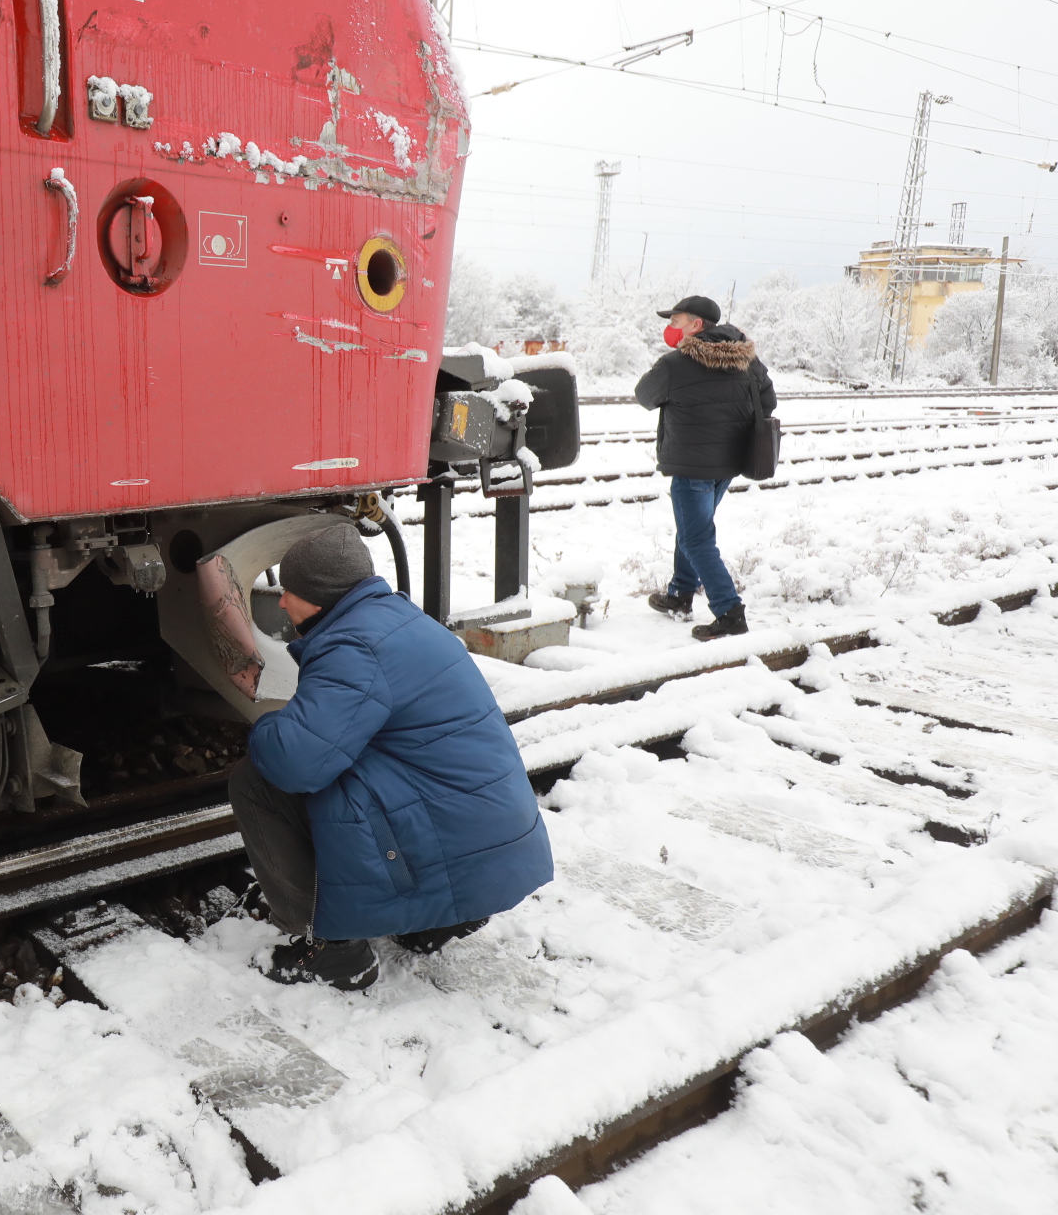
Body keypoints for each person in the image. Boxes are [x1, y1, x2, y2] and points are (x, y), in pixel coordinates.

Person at [230, 524, 555, 990]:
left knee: (257, 781)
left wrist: (264, 727)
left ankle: (332, 949)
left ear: (320, 597)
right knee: (353, 762)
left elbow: (295, 764)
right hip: (493, 842)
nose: (281, 601)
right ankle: (438, 918)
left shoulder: (352, 648)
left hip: (461, 839)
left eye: (291, 592)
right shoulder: (396, 620)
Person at [635, 295, 776, 641]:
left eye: (676, 321)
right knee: (693, 529)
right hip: (727, 465)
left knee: (696, 538)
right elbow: (768, 401)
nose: (670, 329)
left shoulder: (674, 364)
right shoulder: (747, 359)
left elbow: (644, 396)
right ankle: (680, 595)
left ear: (696, 325)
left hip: (691, 467)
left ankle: (729, 612)